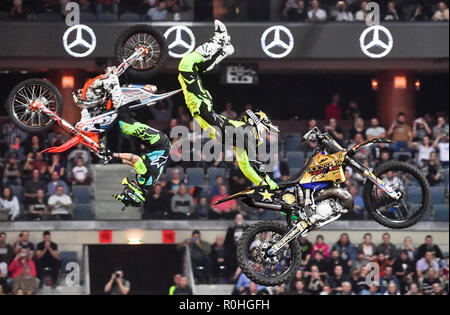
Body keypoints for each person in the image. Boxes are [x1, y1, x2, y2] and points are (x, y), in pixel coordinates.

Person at [178, 20, 279, 191]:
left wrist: (267, 185)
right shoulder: (246, 132)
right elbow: (253, 164)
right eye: (264, 128)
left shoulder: (243, 139)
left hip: (202, 109)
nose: (264, 133)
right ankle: (219, 40)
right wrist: (269, 184)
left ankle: (222, 51)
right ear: (254, 122)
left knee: (192, 69)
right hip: (202, 107)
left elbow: (246, 167)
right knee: (186, 65)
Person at [111, 109, 171, 209]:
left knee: (131, 128)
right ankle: (120, 104)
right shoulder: (143, 180)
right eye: (127, 190)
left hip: (156, 145)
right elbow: (136, 159)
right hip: (158, 142)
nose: (127, 187)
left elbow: (136, 164)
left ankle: (124, 107)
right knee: (126, 127)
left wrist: (117, 160)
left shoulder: (145, 183)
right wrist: (115, 154)